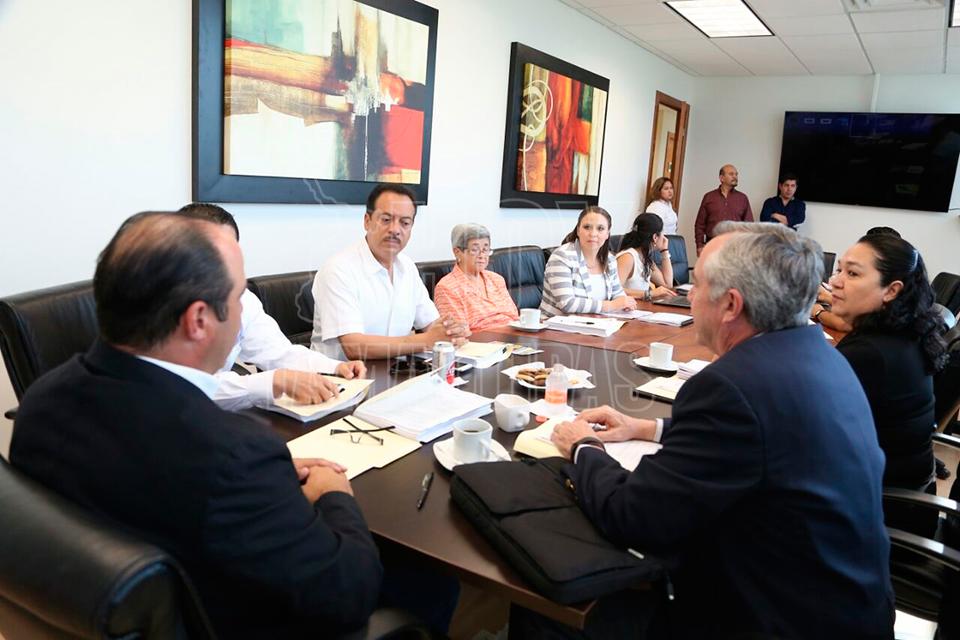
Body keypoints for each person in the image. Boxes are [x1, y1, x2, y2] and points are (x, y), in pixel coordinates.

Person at [10, 212, 383, 638]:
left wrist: (264, 482)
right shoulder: (233, 455)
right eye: (239, 298)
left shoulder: (39, 403)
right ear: (199, 320)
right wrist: (334, 495)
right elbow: (349, 595)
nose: (243, 313)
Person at [537, 222, 894, 638]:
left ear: (730, 305)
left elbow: (633, 516)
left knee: (554, 607)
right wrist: (646, 427)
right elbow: (758, 437)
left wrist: (584, 447)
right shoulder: (821, 353)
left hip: (770, 619)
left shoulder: (730, 387)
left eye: (699, 285)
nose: (689, 295)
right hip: (847, 608)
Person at [179, 203, 366, 411]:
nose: (221, 263)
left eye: (229, 252)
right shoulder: (156, 302)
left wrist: (335, 367)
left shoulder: (242, 299)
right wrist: (271, 382)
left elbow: (278, 353)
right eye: (209, 251)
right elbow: (184, 383)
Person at [825, 233, 947, 498]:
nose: (835, 281)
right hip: (909, 490)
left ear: (892, 290)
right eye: (839, 270)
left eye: (852, 274)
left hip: (883, 504)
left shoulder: (869, 354)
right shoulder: (906, 332)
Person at [311, 184, 470, 360]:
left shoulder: (407, 267)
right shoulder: (338, 270)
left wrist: (451, 331)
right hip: (339, 375)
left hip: (397, 371)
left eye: (405, 223)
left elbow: (431, 324)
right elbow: (354, 347)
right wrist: (426, 340)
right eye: (386, 219)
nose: (395, 229)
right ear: (367, 221)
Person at [540, 206, 638, 318]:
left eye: (600, 228)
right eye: (587, 227)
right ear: (578, 230)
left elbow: (617, 293)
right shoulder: (562, 256)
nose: (593, 233)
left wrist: (625, 302)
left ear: (607, 234)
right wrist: (611, 305)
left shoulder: (609, 260)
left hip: (596, 323)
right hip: (555, 325)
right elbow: (567, 303)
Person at [433, 223, 519, 331]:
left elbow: (514, 316)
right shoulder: (447, 288)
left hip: (513, 336)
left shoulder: (497, 279)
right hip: (481, 340)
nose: (482, 255)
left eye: (485, 249)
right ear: (457, 252)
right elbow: (459, 332)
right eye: (475, 250)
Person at [693, 164, 753, 256]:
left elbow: (749, 225)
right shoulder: (709, 197)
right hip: (712, 246)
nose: (735, 177)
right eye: (731, 174)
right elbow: (700, 224)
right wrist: (700, 245)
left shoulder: (743, 198)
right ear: (722, 178)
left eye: (736, 174)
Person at [615, 213, 675, 299]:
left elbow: (667, 285)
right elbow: (615, 290)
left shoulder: (645, 258)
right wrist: (649, 293)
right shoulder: (628, 257)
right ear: (655, 237)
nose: (664, 237)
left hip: (640, 306)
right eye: (662, 233)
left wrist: (664, 251)